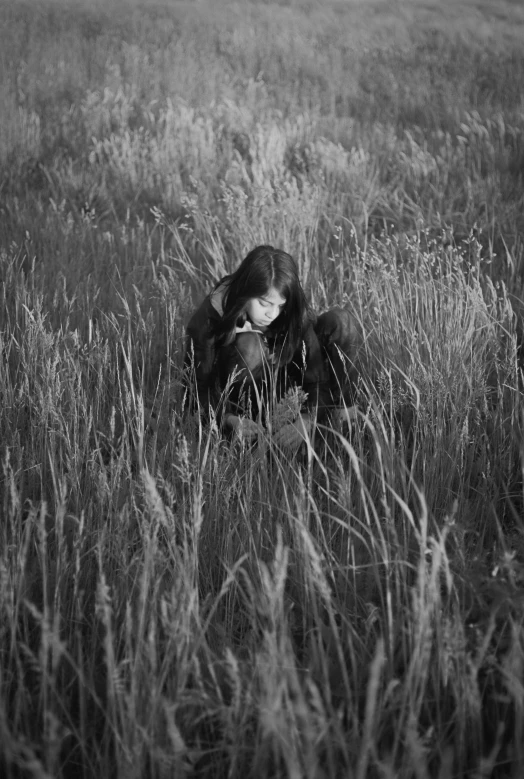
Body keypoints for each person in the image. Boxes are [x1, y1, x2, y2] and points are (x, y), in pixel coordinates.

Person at [184, 245, 361, 446]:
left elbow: (316, 377)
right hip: (242, 384)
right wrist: (229, 420)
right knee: (249, 344)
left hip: (287, 374)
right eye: (264, 303)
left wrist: (306, 421)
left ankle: (343, 416)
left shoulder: (291, 309)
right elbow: (196, 390)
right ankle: (253, 428)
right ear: (245, 293)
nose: (272, 314)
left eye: (280, 305)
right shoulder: (210, 316)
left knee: (341, 322)